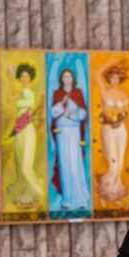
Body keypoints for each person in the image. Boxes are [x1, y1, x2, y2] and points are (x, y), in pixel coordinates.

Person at [50, 68, 90, 210]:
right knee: (64, 164)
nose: (67, 79)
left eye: (69, 77)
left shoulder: (78, 93)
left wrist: (72, 114)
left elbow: (83, 114)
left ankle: (80, 199)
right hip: (61, 132)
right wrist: (62, 103)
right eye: (65, 77)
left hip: (74, 131)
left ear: (73, 79)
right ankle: (67, 199)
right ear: (61, 79)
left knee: (75, 163)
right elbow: (53, 113)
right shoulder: (58, 93)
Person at [5, 63, 44, 208]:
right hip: (19, 130)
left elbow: (18, 95)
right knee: (20, 162)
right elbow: (10, 97)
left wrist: (11, 78)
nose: (24, 78)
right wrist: (11, 79)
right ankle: (27, 194)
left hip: (27, 130)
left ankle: (38, 192)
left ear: (31, 78)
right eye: (21, 76)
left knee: (26, 166)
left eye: (26, 76)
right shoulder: (20, 91)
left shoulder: (29, 93)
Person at [96, 58, 129, 202]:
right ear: (108, 78)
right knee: (113, 163)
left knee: (120, 162)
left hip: (121, 129)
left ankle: (115, 190)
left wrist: (120, 117)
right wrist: (111, 62)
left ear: (120, 79)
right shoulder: (105, 91)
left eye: (117, 77)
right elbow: (97, 74)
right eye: (112, 77)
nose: (114, 80)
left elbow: (125, 112)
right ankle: (106, 188)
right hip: (108, 128)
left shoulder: (124, 94)